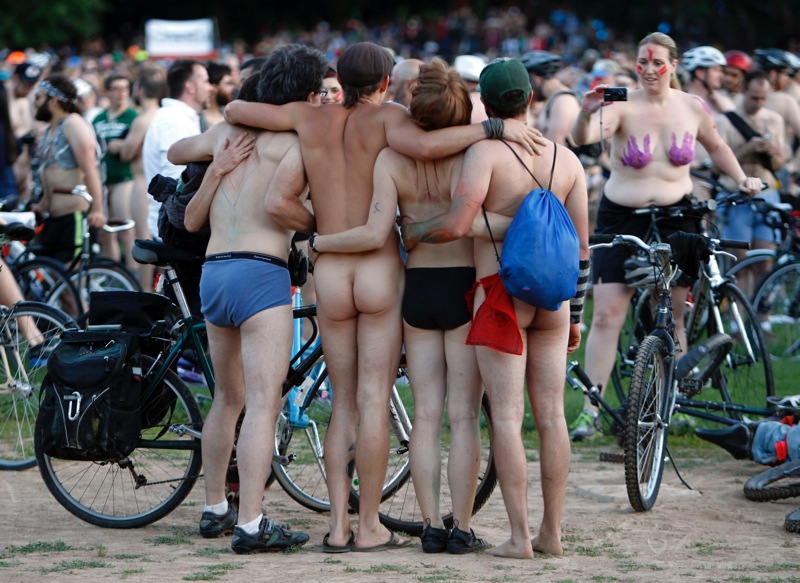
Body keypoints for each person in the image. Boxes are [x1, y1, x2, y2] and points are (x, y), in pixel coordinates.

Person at [224, 41, 545, 552]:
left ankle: (339, 527)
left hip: (334, 272)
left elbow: (236, 109)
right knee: (386, 402)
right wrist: (492, 127)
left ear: (340, 78)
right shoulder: (395, 122)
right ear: (384, 83)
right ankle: (387, 525)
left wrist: (319, 231)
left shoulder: (310, 118)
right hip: (386, 272)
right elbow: (427, 148)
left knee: (344, 406)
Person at [402, 57, 589, 559]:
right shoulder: (567, 160)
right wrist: (576, 315)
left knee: (506, 417)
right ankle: (552, 533)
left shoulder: (485, 153)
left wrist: (415, 230)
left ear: (484, 104)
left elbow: (458, 225)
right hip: (554, 299)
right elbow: (581, 249)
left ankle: (520, 537)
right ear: (530, 98)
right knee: (552, 415)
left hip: (500, 292)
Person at [308, 58, 491, 554]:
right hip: (461, 283)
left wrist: (321, 241)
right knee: (463, 416)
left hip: (418, 288)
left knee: (423, 415)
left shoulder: (390, 158)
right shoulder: (473, 154)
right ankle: (462, 528)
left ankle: (428, 526)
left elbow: (378, 226)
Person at [168, 45, 324, 554]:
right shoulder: (296, 140)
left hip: (214, 272)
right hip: (260, 272)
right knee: (263, 401)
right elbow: (283, 209)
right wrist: (318, 225)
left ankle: (215, 507)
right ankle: (252, 522)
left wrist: (216, 163)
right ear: (306, 95)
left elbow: (176, 153)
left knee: (227, 398)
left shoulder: (226, 133)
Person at [568, 32, 762, 441]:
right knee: (607, 313)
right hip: (623, 216)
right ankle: (590, 411)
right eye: (643, 61)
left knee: (673, 313)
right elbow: (582, 138)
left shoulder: (691, 106)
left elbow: (717, 146)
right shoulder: (621, 103)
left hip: (677, 217)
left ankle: (670, 404)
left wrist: (742, 178)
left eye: (658, 62)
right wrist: (586, 112)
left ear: (673, 65)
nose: (649, 69)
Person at [713, 70, 785, 297]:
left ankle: (761, 315)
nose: (759, 102)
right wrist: (747, 148)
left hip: (766, 196)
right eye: (754, 97)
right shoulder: (725, 120)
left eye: (763, 98)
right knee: (739, 262)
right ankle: (738, 315)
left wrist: (772, 152)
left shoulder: (774, 120)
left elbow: (779, 165)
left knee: (765, 261)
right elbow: (716, 166)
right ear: (744, 90)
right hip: (736, 196)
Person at [30, 74, 106, 264]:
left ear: (53, 101)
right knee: (51, 275)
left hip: (73, 218)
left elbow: (91, 169)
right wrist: (42, 204)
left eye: (39, 97)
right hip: (53, 218)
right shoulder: (51, 128)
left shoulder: (73, 124)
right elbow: (54, 174)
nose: (35, 102)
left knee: (70, 277)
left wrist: (97, 209)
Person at [106, 71, 166, 289]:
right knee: (161, 237)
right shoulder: (166, 116)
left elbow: (127, 154)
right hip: (163, 183)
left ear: (140, 91)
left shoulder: (143, 119)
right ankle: (162, 288)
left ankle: (144, 290)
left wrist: (117, 145)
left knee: (144, 238)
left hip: (142, 183)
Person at [92, 73, 138, 267]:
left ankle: (134, 273)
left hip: (124, 178)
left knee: (125, 228)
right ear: (107, 92)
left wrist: (123, 146)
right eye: (116, 88)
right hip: (102, 180)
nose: (121, 93)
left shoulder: (133, 116)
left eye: (125, 88)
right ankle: (113, 274)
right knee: (105, 232)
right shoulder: (98, 118)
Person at [681, 45, 735, 114]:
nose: (721, 75)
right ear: (700, 73)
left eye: (721, 71)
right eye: (716, 70)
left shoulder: (720, 100)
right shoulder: (683, 102)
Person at [204, 62, 236, 126]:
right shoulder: (197, 119)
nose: (233, 88)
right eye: (228, 83)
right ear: (213, 87)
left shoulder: (231, 118)